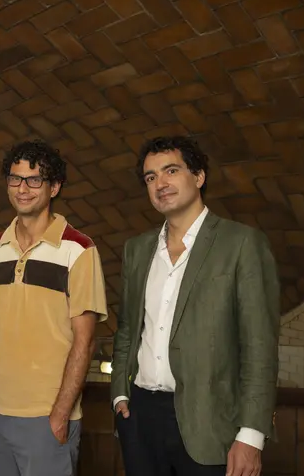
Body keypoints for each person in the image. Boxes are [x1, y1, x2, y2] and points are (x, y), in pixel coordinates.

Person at [110, 135, 280, 475]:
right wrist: (119, 395)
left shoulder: (241, 243)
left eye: (171, 171)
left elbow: (259, 346)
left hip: (212, 425)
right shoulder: (137, 249)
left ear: (199, 176)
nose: (161, 184)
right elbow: (128, 328)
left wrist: (251, 435)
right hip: (140, 418)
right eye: (150, 177)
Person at [0, 140, 108, 476]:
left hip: (44, 418)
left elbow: (84, 341)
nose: (22, 188)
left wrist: (60, 413)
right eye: (15, 179)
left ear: (54, 186)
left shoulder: (79, 250)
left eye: (34, 180)